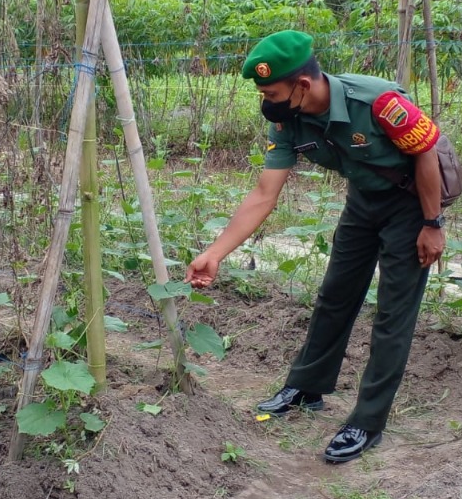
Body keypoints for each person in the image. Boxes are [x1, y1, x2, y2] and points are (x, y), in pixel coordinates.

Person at [185, 30, 446, 464]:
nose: (266, 101)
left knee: (392, 313)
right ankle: (307, 387)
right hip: (364, 202)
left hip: (411, 203)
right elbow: (263, 195)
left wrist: (432, 224)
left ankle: (368, 420)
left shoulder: (379, 102)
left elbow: (426, 154)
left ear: (302, 86)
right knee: (334, 296)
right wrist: (216, 252)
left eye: (271, 91)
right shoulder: (289, 119)